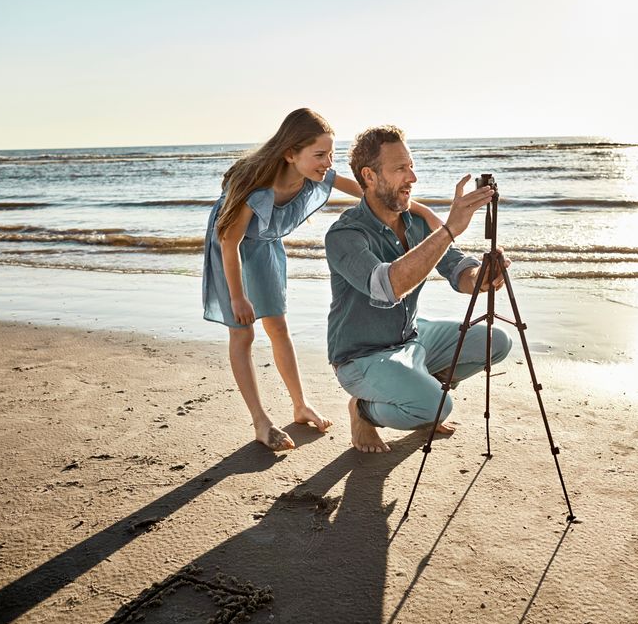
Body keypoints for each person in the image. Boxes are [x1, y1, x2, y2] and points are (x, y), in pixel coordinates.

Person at [202, 109, 444, 451]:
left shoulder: (318, 174)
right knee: (243, 332)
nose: (327, 162)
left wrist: (425, 211)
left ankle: (300, 405)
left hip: (265, 247)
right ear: (290, 154)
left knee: (278, 328)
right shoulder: (255, 189)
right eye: (319, 155)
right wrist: (238, 297)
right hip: (231, 249)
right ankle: (260, 421)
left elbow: (370, 193)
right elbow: (229, 241)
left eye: (330, 154)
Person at [325, 125, 513, 453]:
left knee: (497, 342)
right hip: (361, 357)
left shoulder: (417, 222)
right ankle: (364, 410)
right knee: (438, 407)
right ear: (369, 176)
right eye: (400, 169)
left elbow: (459, 272)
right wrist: (451, 228)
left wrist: (482, 276)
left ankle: (422, 394)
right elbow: (387, 287)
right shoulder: (344, 235)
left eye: (411, 166)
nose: (412, 177)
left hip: (412, 338)